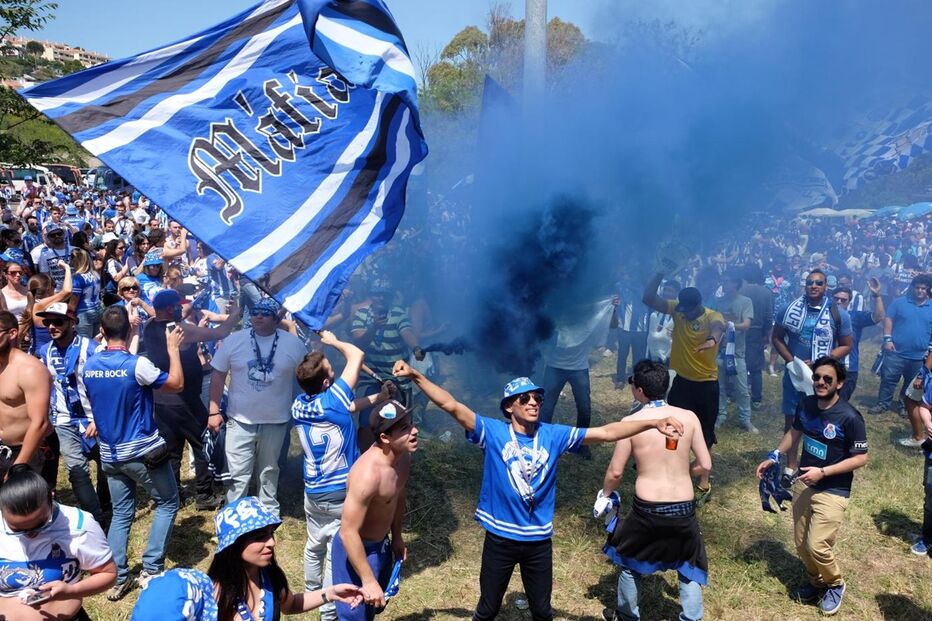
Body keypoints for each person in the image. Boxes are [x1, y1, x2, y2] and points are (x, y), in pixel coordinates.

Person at [391, 360, 683, 621]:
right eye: (525, 398)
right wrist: (416, 375)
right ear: (509, 406)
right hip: (501, 538)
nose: (533, 402)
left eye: (537, 398)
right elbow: (451, 405)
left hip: (538, 541)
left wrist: (653, 422)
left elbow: (606, 433)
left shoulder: (553, 434)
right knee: (488, 609)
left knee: (542, 612)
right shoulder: (493, 432)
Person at [82, 305, 184, 600]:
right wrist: (173, 349)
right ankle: (151, 570)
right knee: (167, 502)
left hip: (110, 456)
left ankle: (118, 576)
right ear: (128, 332)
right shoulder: (136, 365)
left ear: (101, 333)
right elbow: (176, 384)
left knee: (122, 513)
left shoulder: (89, 365)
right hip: (141, 452)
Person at [292, 330, 394, 621]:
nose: (335, 371)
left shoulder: (301, 404)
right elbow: (357, 355)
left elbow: (348, 406)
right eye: (331, 370)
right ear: (326, 382)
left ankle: (312, 594)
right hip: (340, 492)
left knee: (314, 546)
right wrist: (333, 341)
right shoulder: (332, 400)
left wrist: (378, 397)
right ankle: (328, 610)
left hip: (312, 491)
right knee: (335, 554)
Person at [599, 360, 711, 621]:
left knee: (628, 560)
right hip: (684, 506)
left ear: (638, 390)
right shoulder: (689, 417)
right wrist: (684, 470)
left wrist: (604, 496)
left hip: (648, 507)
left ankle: (627, 616)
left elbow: (615, 472)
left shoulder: (631, 422)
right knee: (688, 563)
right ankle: (692, 618)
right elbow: (705, 464)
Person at [755, 357, 868, 616]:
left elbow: (861, 457)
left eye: (827, 379)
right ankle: (817, 583)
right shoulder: (806, 404)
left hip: (834, 489)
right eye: (817, 377)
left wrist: (823, 472)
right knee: (800, 544)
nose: (820, 382)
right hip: (804, 484)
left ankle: (835, 583)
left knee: (818, 545)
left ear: (839, 383)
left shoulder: (850, 417)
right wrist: (774, 455)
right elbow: (794, 433)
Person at [131, 497, 364, 621]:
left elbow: (290, 604)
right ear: (234, 545)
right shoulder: (213, 595)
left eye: (271, 534)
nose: (271, 542)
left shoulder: (268, 576)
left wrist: (329, 594)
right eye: (260, 537)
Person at [208, 297, 307, 516]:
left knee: (269, 468)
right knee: (237, 471)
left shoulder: (293, 345)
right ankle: (234, 512)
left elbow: (306, 376)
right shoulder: (234, 340)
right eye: (254, 313)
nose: (258, 317)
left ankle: (268, 510)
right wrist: (213, 410)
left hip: (276, 418)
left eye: (264, 313)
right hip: (240, 419)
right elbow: (218, 374)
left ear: (275, 318)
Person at [143, 289, 238, 510]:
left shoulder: (148, 325)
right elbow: (221, 333)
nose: (181, 309)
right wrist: (233, 315)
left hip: (161, 399)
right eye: (177, 306)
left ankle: (173, 494)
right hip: (184, 400)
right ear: (168, 309)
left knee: (172, 449)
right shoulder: (180, 330)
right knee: (202, 445)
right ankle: (204, 495)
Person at [643, 271, 724, 504]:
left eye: (688, 310)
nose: (683, 314)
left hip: (707, 385)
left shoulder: (711, 315)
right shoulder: (678, 312)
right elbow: (648, 298)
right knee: (673, 430)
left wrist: (712, 340)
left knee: (706, 435)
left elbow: (719, 327)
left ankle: (703, 482)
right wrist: (658, 273)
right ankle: (671, 474)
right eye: (682, 310)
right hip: (682, 383)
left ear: (698, 305)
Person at [0, 468, 116, 621]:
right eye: (16, 529)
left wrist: (72, 590)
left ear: (51, 497)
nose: (30, 534)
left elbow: (108, 574)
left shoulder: (79, 525)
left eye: (40, 525)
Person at [36, 302, 111, 526]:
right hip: (64, 421)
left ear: (72, 322)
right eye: (47, 322)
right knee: (77, 471)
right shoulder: (44, 352)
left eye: (57, 321)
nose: (51, 326)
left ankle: (106, 502)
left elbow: (105, 386)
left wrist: (98, 418)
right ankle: (96, 519)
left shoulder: (92, 348)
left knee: (106, 465)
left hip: (94, 417)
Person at [772, 269, 852, 433]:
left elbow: (846, 345)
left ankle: (815, 455)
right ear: (804, 286)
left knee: (822, 417)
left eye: (818, 283)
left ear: (826, 287)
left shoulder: (839, 314)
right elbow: (776, 338)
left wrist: (821, 360)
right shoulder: (788, 310)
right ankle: (791, 458)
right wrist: (793, 362)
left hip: (823, 374)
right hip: (795, 372)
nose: (813, 286)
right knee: (792, 417)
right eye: (809, 283)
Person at [539, 297, 618, 457]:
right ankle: (542, 441)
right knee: (546, 407)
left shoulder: (588, 324)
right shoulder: (555, 325)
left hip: (579, 369)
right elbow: (545, 340)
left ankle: (582, 444)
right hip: (555, 368)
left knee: (584, 409)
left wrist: (613, 309)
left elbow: (613, 325)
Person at [870, 274, 932, 416]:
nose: (920, 291)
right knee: (888, 379)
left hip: (918, 355)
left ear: (928, 289)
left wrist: (929, 349)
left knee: (911, 383)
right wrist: (887, 339)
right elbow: (889, 319)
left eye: (923, 288)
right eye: (917, 288)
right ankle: (883, 404)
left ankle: (904, 405)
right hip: (895, 351)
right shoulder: (899, 302)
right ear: (912, 288)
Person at [0, 310, 51, 477]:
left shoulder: (30, 370)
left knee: (29, 503)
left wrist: (19, 465)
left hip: (31, 449)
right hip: (3, 448)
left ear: (12, 333)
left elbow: (40, 422)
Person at [714, 271, 757, 433]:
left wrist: (729, 325)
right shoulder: (719, 302)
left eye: (727, 281)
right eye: (722, 281)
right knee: (720, 386)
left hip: (737, 353)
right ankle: (720, 415)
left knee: (742, 389)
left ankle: (745, 419)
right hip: (719, 350)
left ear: (735, 283)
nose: (723, 284)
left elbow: (746, 325)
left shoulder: (745, 302)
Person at [831, 279, 884, 403]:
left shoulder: (854, 317)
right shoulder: (823, 316)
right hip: (826, 365)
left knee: (841, 403)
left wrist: (876, 295)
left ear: (848, 302)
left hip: (848, 368)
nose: (839, 302)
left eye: (843, 300)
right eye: (836, 299)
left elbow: (879, 317)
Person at [741, 263, 774, 408]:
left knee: (737, 361)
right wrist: (767, 333)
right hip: (757, 330)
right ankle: (756, 398)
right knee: (756, 367)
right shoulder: (766, 292)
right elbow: (768, 316)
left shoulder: (740, 290)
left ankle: (732, 393)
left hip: (739, 329)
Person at [69, 248, 102, 339]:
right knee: (97, 341)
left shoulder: (77, 278)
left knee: (84, 343)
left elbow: (73, 302)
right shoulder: (96, 274)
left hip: (83, 313)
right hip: (97, 309)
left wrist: (69, 316)